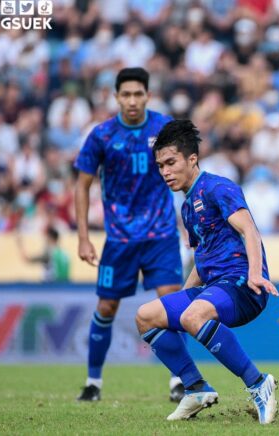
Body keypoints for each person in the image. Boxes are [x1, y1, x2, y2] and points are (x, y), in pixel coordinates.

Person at [134, 120, 279, 424]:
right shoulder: (187, 208)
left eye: (171, 163)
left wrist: (255, 274)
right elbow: (201, 261)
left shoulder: (217, 187)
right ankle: (196, 388)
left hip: (242, 284)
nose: (165, 171)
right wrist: (179, 299)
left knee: (192, 316)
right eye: (160, 165)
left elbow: (250, 231)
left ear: (192, 159)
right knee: (147, 316)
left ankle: (258, 384)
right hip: (214, 286)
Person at [74, 68, 184, 402]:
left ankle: (179, 380)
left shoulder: (164, 128)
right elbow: (82, 185)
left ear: (148, 95)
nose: (132, 100)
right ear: (116, 96)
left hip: (161, 234)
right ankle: (93, 382)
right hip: (119, 239)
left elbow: (185, 171)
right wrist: (82, 236)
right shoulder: (102, 135)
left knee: (172, 301)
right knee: (106, 307)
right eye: (126, 94)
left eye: (138, 94)